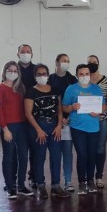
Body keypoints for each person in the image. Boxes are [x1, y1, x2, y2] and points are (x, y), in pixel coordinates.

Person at [25, 63, 71, 198]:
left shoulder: (55, 90)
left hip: (54, 127)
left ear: (48, 75)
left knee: (56, 156)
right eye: (39, 74)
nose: (42, 76)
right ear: (35, 76)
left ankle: (56, 186)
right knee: (39, 157)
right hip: (38, 127)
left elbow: (59, 110)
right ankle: (41, 185)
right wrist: (38, 130)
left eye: (44, 74)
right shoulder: (31, 92)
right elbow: (28, 113)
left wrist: (59, 126)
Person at [62, 64, 104, 195]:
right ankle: (81, 182)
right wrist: (72, 107)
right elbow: (64, 107)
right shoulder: (71, 89)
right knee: (82, 154)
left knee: (92, 154)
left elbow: (103, 106)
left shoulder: (96, 88)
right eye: (81, 74)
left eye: (87, 74)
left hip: (93, 128)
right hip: (77, 127)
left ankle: (90, 180)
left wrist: (98, 112)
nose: (84, 76)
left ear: (90, 75)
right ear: (77, 75)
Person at [0, 61, 33, 199]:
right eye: (9, 70)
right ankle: (10, 186)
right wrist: (5, 128)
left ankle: (21, 185)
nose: (12, 73)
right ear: (4, 72)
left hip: (22, 126)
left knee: (23, 155)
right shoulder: (0, 88)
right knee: (9, 156)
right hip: (9, 127)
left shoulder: (20, 87)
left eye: (15, 70)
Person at [48, 53, 78, 192]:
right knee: (54, 154)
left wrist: (68, 116)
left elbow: (75, 100)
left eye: (68, 60)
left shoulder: (72, 79)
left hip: (69, 121)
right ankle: (55, 182)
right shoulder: (49, 80)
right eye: (63, 60)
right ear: (57, 62)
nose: (66, 62)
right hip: (54, 122)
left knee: (67, 152)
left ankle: (68, 181)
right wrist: (58, 119)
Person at [88, 55, 107, 189]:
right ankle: (89, 177)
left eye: (94, 62)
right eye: (89, 62)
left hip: (102, 119)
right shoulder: (83, 80)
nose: (92, 64)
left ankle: (99, 176)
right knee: (89, 148)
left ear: (98, 63)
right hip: (87, 121)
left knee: (100, 147)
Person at [16, 44, 37, 187]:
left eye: (28, 51)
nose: (25, 54)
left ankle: (34, 176)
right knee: (18, 151)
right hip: (17, 115)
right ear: (18, 54)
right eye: (22, 52)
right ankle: (14, 180)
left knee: (35, 149)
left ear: (32, 54)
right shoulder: (12, 69)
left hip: (34, 115)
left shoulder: (37, 70)